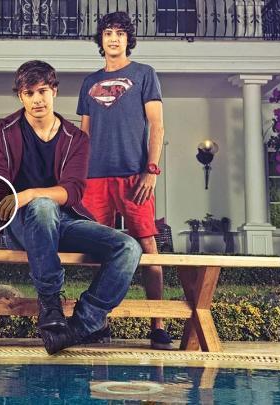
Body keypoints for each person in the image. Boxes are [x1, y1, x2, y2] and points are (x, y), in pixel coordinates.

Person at [0, 61, 141, 354]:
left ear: (54, 91)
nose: (37, 99)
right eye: (29, 93)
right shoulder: (1, 133)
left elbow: (73, 191)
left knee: (129, 247)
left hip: (65, 221)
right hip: (21, 224)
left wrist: (31, 193)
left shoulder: (76, 138)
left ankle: (83, 324)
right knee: (42, 207)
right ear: (20, 96)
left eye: (43, 91)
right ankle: (50, 306)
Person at [77, 11, 171, 349]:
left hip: (134, 175)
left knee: (148, 246)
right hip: (94, 178)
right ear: (100, 40)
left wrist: (152, 169)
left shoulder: (144, 74)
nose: (113, 38)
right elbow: (83, 135)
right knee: (99, 250)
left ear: (128, 39)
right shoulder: (89, 82)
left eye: (120, 32)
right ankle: (97, 322)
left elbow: (157, 125)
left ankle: (157, 323)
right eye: (107, 33)